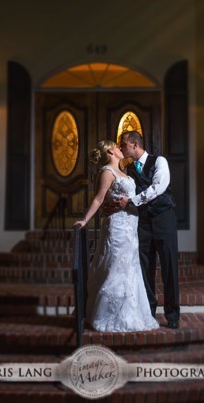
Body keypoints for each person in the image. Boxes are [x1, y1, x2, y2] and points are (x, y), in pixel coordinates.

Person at [74, 140, 159, 333]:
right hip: (118, 228)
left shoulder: (123, 172)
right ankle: (111, 314)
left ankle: (131, 313)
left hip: (131, 226)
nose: (120, 148)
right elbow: (99, 198)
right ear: (110, 151)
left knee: (130, 269)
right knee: (115, 267)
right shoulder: (107, 172)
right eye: (116, 146)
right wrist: (85, 220)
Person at [113, 131, 180, 329]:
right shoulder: (129, 170)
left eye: (123, 144)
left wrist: (132, 201)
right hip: (142, 222)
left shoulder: (159, 162)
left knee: (169, 266)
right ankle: (149, 310)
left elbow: (159, 187)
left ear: (135, 144)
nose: (122, 148)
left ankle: (172, 314)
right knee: (144, 268)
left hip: (164, 219)